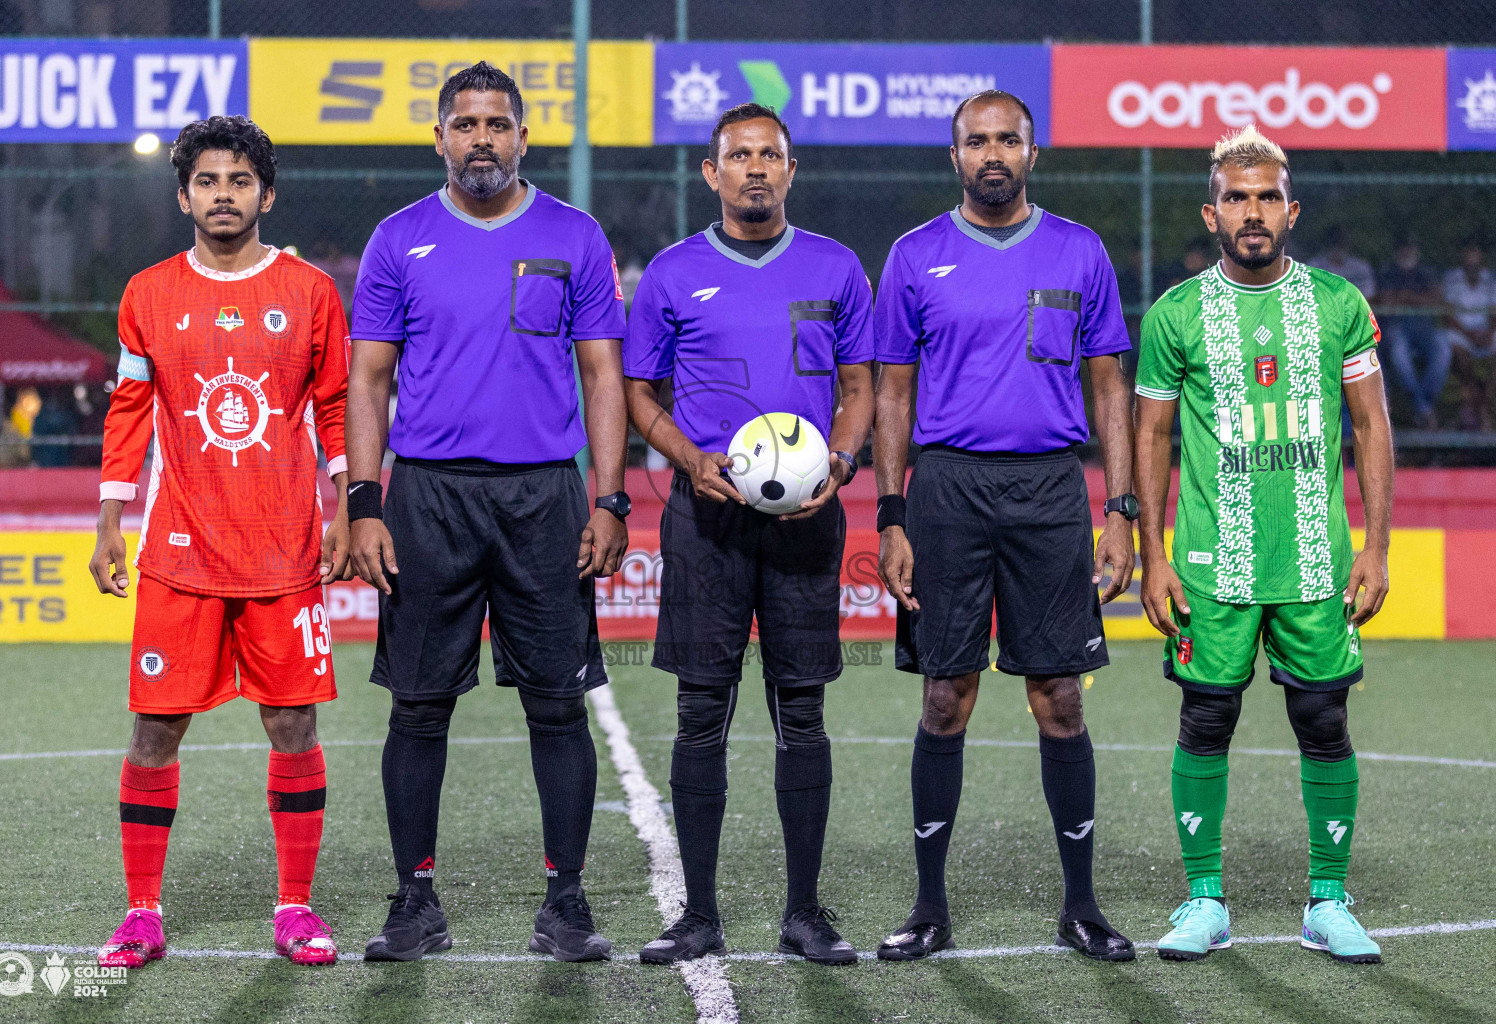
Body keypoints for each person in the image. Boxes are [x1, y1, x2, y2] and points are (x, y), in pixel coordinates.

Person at [347, 63, 629, 964]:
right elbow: (368, 378)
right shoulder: (399, 239)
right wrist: (363, 502)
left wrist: (612, 496)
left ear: (521, 135)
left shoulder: (575, 235)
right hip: (426, 495)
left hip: (543, 494)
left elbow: (601, 376)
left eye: (496, 124)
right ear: (438, 138)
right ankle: (414, 901)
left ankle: (567, 902)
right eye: (463, 124)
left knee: (558, 704)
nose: (480, 139)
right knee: (419, 708)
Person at [872, 90, 1137, 962]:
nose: (994, 153)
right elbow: (893, 395)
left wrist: (1121, 510)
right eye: (977, 141)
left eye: (1008, 140)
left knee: (1059, 697)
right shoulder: (914, 255)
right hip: (946, 490)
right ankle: (928, 907)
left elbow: (1108, 389)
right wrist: (893, 510)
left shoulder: (1080, 250)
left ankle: (1083, 905)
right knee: (945, 696)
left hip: (1051, 491)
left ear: (1034, 151)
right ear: (955, 156)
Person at [89, 115, 352, 969]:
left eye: (240, 180)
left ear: (265, 193)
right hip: (179, 552)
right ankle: (140, 912)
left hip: (282, 547)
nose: (224, 194)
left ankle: (296, 909)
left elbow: (336, 407)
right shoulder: (147, 295)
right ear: (183, 195)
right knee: (154, 732)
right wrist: (108, 521)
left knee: (293, 725)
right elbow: (128, 413)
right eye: (208, 181)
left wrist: (347, 505)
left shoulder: (311, 292)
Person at [623, 102, 876, 965]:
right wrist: (689, 458)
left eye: (771, 154)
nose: (756, 168)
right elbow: (639, 397)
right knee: (702, 712)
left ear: (792, 170)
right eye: (739, 156)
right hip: (708, 520)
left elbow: (862, 387)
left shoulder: (838, 267)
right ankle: (698, 914)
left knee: (800, 712)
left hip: (810, 522)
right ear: (712, 173)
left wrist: (839, 464)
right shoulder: (670, 273)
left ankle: (804, 913)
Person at [1133, 124, 1393, 965]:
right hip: (1211, 564)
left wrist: (1377, 546)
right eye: (1237, 197)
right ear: (1212, 213)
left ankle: (1329, 900)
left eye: (1267, 197)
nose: (1253, 211)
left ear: (1292, 209)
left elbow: (1371, 425)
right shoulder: (1176, 315)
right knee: (1205, 717)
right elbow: (1150, 438)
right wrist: (1155, 554)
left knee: (1324, 720)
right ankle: (1204, 899)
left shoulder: (1338, 305)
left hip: (1315, 559)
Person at [1376, 235, 1447, 429]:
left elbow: (1437, 299)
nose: (1407, 252)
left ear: (1416, 250)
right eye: (1403, 248)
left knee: (1443, 349)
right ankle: (1424, 408)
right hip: (1397, 328)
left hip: (1425, 328)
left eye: (1410, 248)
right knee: (1399, 353)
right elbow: (1386, 301)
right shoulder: (1387, 272)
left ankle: (1422, 404)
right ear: (1396, 251)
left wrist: (1408, 297)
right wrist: (1416, 298)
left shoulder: (1426, 273)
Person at [1438, 239, 1496, 431]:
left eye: (1475, 253)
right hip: (1461, 331)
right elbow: (1448, 315)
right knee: (1459, 353)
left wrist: (1488, 332)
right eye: (1467, 253)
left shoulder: (1490, 279)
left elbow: (1494, 312)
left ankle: (1482, 401)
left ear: (1481, 256)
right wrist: (1469, 334)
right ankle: (1480, 407)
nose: (1471, 257)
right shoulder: (1452, 278)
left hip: (1485, 331)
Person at [1310, 225, 1376, 301]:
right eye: (1334, 242)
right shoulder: (1313, 267)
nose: (1337, 246)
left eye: (1341, 242)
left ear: (1348, 243)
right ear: (1326, 244)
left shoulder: (1361, 267)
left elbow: (1368, 296)